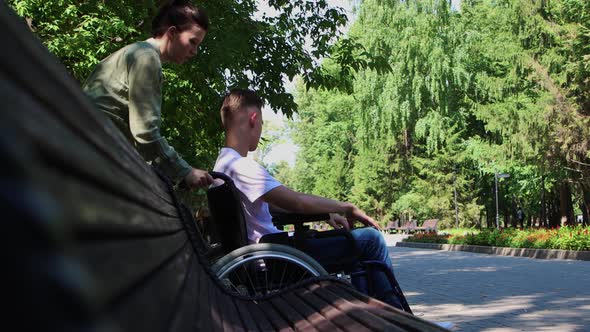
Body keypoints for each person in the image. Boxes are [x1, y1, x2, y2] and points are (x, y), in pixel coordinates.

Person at [212, 88, 404, 309]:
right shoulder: (241, 166)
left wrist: (325, 213)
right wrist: (345, 207)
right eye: (262, 122)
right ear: (254, 119)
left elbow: (274, 205)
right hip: (276, 258)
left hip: (267, 256)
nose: (261, 127)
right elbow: (295, 201)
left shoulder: (223, 164)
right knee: (371, 240)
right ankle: (399, 316)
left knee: (357, 248)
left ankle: (376, 315)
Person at [83, 0, 213, 188]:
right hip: (95, 152)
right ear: (172, 33)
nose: (194, 52)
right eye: (193, 42)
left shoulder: (133, 52)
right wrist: (185, 171)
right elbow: (145, 133)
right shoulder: (147, 59)